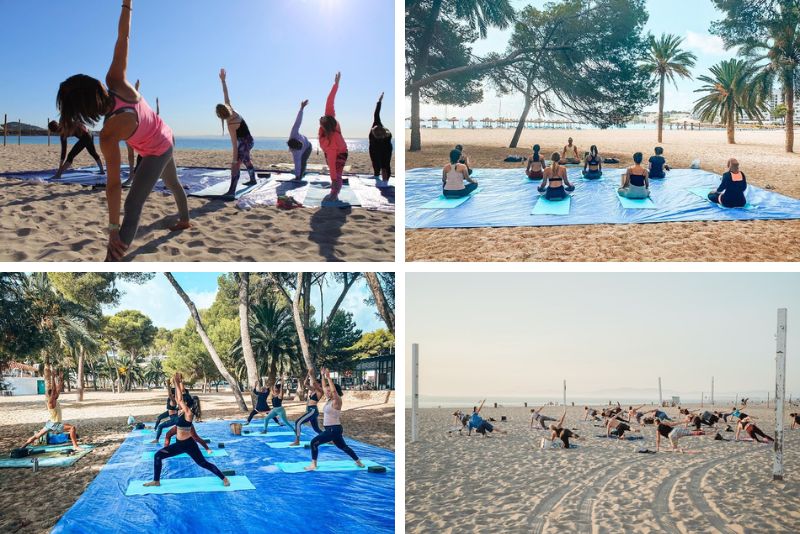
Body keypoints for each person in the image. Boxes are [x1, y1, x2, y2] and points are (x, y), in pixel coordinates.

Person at [55, 0, 190, 261]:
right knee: (172, 182)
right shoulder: (115, 81)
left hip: (158, 149)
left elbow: (115, 185)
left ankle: (112, 259)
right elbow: (123, 36)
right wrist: (127, 4)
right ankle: (185, 220)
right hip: (166, 133)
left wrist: (113, 229)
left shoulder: (108, 135)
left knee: (133, 203)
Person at [143, 374, 229, 488]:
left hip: (189, 445)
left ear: (186, 404)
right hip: (179, 445)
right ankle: (156, 481)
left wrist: (176, 382)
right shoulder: (181, 412)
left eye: (183, 402)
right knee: (157, 456)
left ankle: (224, 478)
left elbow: (179, 399)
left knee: (203, 463)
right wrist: (177, 383)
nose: (179, 403)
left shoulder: (188, 413)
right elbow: (178, 398)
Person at [305, 368, 364, 471]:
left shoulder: (337, 400)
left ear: (334, 391)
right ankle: (359, 462)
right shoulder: (329, 400)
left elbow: (333, 391)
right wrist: (322, 375)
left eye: (329, 391)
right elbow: (324, 387)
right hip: (333, 429)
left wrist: (328, 377)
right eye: (326, 391)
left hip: (333, 429)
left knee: (313, 443)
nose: (327, 392)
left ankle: (313, 465)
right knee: (343, 447)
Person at [215, 68, 257, 197]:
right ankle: (253, 179)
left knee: (236, 164)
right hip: (248, 140)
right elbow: (225, 93)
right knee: (246, 160)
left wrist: (234, 161)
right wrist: (223, 81)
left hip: (246, 142)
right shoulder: (230, 108)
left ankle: (232, 190)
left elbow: (234, 145)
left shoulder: (231, 124)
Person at [21, 370, 82, 450]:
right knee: (72, 428)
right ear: (52, 395)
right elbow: (54, 390)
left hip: (50, 423)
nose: (57, 393)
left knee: (37, 436)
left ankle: (22, 447)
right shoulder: (50, 402)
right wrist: (53, 377)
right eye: (55, 393)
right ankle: (75, 446)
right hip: (55, 425)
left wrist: (60, 379)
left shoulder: (55, 399)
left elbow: (57, 389)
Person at [319, 72, 349, 202]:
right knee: (335, 173)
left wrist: (333, 178)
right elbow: (330, 100)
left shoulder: (329, 141)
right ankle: (335, 187)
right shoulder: (330, 118)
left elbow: (331, 162)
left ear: (325, 127)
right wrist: (336, 84)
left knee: (336, 174)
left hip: (340, 153)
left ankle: (335, 192)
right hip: (336, 150)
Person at [290, 369, 324, 447]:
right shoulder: (314, 390)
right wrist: (308, 375)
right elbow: (305, 383)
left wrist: (311, 375)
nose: (314, 384)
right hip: (310, 410)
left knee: (297, 422)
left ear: (319, 384)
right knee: (316, 429)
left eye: (317, 383)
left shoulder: (320, 391)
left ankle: (297, 441)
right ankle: (329, 438)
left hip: (313, 410)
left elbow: (314, 383)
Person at [368, 92, 393, 182]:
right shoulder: (377, 123)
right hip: (374, 148)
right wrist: (379, 101)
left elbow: (385, 162)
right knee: (376, 162)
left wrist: (384, 170)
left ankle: (386, 180)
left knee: (385, 164)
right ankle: (376, 175)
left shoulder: (387, 137)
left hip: (385, 149)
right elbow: (376, 113)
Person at [288, 100, 313, 181]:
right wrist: (297, 176)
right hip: (300, 149)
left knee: (303, 161)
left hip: (308, 147)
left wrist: (301, 108)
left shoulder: (294, 132)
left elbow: (298, 121)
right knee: (299, 163)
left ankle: (300, 174)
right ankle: (299, 174)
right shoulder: (296, 152)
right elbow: (297, 163)